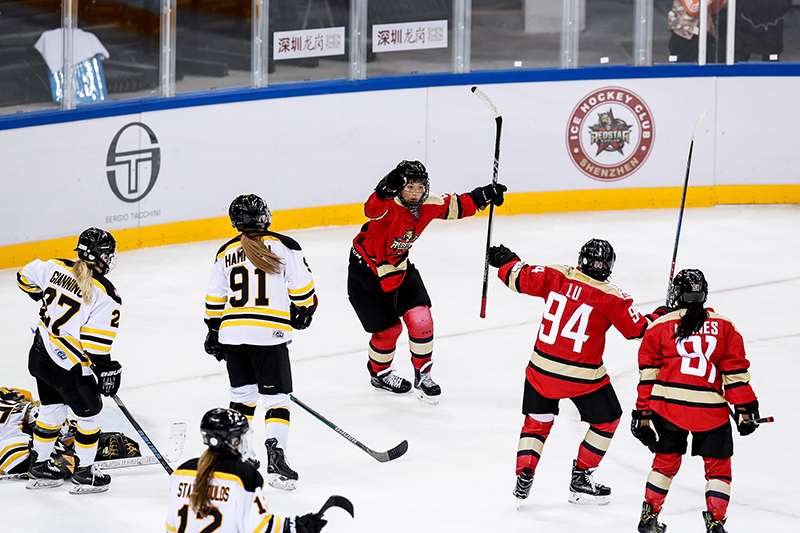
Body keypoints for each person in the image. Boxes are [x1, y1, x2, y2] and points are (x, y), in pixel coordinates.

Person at [487, 239, 669, 505]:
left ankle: (524, 472)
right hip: (582, 377)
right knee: (607, 419)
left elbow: (519, 278)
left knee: (537, 423)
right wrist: (663, 313)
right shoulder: (612, 296)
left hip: (540, 370)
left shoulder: (557, 275)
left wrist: (506, 260)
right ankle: (581, 477)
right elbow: (639, 330)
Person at [347, 160, 507, 405]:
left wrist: (483, 195)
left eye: (420, 187)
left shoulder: (428, 203)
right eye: (409, 187)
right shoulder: (387, 204)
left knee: (421, 319)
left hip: (399, 267)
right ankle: (380, 374)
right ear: (399, 188)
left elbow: (455, 205)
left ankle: (424, 375)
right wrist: (384, 189)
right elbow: (371, 209)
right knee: (389, 332)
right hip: (366, 273)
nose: (415, 192)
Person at [632, 269, 761, 533]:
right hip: (710, 412)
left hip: (668, 408)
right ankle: (715, 522)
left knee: (664, 463)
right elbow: (734, 374)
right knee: (718, 468)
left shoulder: (659, 326)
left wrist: (643, 413)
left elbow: (648, 375)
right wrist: (745, 409)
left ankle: (649, 518)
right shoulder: (725, 326)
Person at [204, 194, 317, 491]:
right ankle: (277, 459)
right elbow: (303, 289)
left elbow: (214, 299)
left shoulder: (225, 252)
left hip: (232, 336)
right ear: (266, 216)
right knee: (277, 400)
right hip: (269, 335)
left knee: (242, 397)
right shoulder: (285, 245)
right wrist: (303, 310)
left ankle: (239, 455)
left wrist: (213, 332)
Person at [16, 227, 123, 493]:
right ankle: (85, 472)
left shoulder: (52, 266)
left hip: (40, 355)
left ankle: (39, 465)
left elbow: (23, 277)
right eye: (107, 255)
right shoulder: (105, 293)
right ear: (100, 257)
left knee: (52, 410)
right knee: (92, 417)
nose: (109, 260)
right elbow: (96, 348)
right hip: (67, 367)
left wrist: (41, 295)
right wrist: (109, 370)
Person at [166, 408, 348, 533]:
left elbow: (171, 528)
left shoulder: (181, 472)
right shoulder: (243, 475)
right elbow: (260, 528)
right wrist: (295, 526)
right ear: (234, 441)